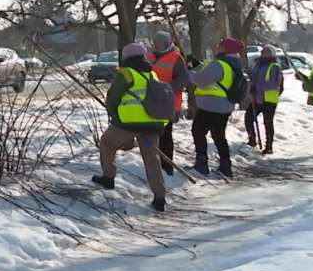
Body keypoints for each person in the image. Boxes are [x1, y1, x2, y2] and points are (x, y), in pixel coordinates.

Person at [91, 42, 169, 212]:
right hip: (152, 123)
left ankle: (108, 177)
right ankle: (160, 197)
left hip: (129, 122)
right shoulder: (152, 74)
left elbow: (113, 97)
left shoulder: (126, 73)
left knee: (107, 143)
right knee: (152, 159)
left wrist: (115, 116)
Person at [188, 36, 246, 177]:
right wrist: (197, 65)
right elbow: (210, 74)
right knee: (219, 136)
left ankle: (201, 164)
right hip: (225, 106)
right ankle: (225, 166)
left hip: (211, 105)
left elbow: (201, 80)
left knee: (198, 132)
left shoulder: (219, 64)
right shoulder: (233, 64)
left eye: (220, 45)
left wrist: (189, 70)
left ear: (226, 49)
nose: (217, 47)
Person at [148, 31, 189, 175]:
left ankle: (167, 166)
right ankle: (157, 164)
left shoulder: (176, 58)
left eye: (159, 43)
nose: (156, 45)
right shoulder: (150, 56)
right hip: (153, 101)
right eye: (155, 43)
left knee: (165, 135)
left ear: (166, 43)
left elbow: (182, 79)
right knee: (155, 134)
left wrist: (166, 89)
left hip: (169, 102)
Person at [245, 46, 283, 154]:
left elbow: (273, 84)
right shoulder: (257, 65)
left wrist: (257, 87)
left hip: (269, 99)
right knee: (248, 118)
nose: (264, 53)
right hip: (257, 98)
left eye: (267, 52)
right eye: (263, 51)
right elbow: (253, 78)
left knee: (268, 123)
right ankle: (252, 139)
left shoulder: (274, 66)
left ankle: (269, 146)